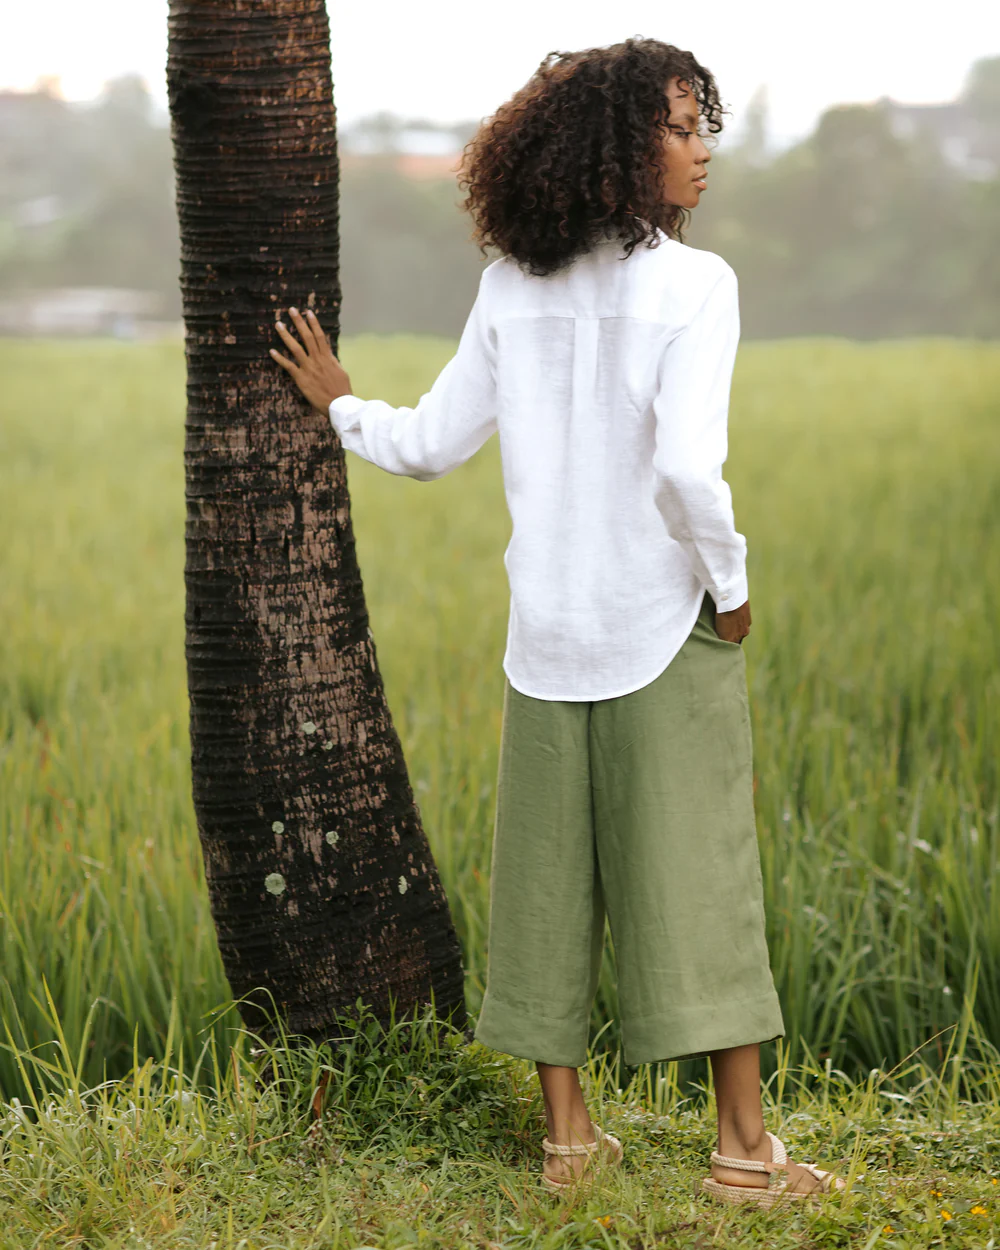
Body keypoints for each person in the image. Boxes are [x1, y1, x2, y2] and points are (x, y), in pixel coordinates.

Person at [269, 36, 845, 1207]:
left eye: (701, 128)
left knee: (543, 882)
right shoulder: (699, 286)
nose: (701, 153)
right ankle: (744, 1153)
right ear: (619, 151)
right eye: (679, 130)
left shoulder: (507, 286)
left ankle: (568, 1141)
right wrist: (729, 586)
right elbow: (689, 470)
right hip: (655, 625)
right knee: (703, 877)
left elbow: (429, 445)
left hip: (546, 639)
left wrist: (344, 406)